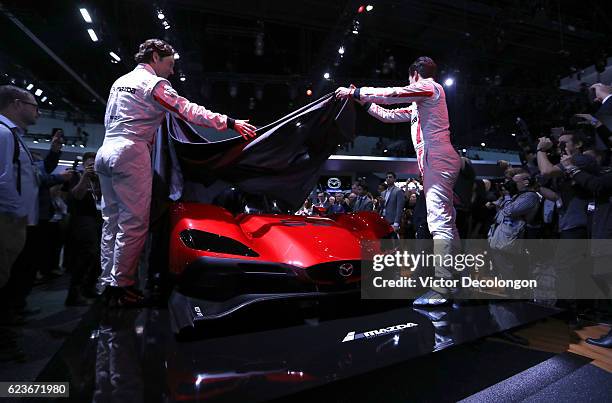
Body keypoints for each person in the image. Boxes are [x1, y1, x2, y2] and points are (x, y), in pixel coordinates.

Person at [95, 39, 257, 307]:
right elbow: (188, 110)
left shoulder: (120, 81)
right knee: (133, 224)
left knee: (111, 221)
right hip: (131, 153)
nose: (171, 71)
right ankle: (122, 285)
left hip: (105, 150)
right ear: (156, 57)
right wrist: (228, 122)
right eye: (170, 64)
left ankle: (107, 282)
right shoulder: (154, 84)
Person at [336, 56, 462, 305]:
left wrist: (359, 91)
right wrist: (361, 100)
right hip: (435, 159)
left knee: (439, 222)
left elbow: (394, 93)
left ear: (415, 73)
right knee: (445, 221)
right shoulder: (420, 103)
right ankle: (453, 279)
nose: (409, 82)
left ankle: (444, 287)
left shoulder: (430, 87)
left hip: (437, 157)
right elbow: (387, 115)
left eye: (409, 78)